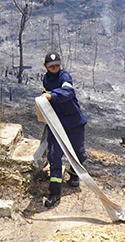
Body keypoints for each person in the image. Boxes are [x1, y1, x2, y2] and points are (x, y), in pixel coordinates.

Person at [40, 52, 87, 207]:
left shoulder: (65, 77)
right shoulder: (46, 79)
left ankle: (74, 175)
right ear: (45, 66)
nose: (55, 68)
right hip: (56, 123)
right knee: (54, 156)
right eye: (51, 66)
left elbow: (68, 92)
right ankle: (55, 192)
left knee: (79, 153)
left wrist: (51, 96)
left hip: (74, 122)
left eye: (57, 65)